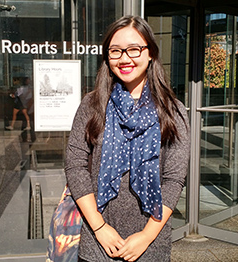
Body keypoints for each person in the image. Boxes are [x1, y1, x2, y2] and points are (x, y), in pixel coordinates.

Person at [65, 15, 190, 262]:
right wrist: (101, 230)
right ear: (107, 57)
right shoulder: (92, 105)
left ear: (150, 52)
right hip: (97, 242)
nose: (124, 58)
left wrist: (145, 236)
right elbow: (75, 166)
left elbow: (174, 179)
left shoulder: (172, 111)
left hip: (150, 243)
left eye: (134, 49)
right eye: (116, 51)